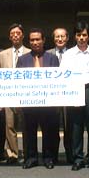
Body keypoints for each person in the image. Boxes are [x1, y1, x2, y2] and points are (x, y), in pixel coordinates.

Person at [17, 28, 60, 169]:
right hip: (29, 103)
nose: (35, 42)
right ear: (29, 42)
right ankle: (31, 158)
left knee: (49, 131)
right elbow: (17, 82)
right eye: (32, 40)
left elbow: (57, 80)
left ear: (43, 40)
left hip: (48, 103)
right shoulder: (22, 60)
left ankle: (48, 158)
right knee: (29, 131)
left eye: (38, 39)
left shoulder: (52, 58)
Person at [60, 21, 89, 171]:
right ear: (75, 37)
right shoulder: (68, 54)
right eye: (79, 35)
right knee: (75, 126)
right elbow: (63, 75)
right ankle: (78, 158)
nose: (82, 38)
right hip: (74, 90)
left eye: (84, 35)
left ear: (88, 37)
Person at [0, 23, 31, 164]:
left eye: (18, 33)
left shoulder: (31, 52)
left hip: (26, 95)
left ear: (23, 35)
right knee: (9, 125)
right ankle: (12, 153)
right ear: (9, 37)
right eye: (12, 34)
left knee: (27, 125)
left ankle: (29, 152)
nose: (15, 35)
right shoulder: (2, 54)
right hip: (8, 95)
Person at [47, 27, 72, 163]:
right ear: (54, 39)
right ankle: (53, 156)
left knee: (69, 126)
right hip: (53, 97)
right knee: (52, 126)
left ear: (67, 38)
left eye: (62, 36)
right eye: (57, 36)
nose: (60, 39)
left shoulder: (74, 53)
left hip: (69, 95)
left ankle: (70, 155)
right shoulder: (47, 54)